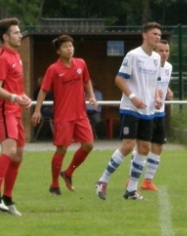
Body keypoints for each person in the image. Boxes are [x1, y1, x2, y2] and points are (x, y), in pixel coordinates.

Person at [95, 22, 163, 201]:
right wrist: (133, 96)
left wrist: (156, 98)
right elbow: (119, 79)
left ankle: (131, 189)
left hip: (148, 110)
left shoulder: (156, 58)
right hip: (131, 108)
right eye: (154, 34)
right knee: (128, 145)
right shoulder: (133, 55)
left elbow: (154, 83)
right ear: (144, 35)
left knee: (144, 147)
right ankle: (103, 180)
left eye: (159, 34)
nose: (157, 37)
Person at [31, 35, 98, 196]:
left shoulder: (81, 63)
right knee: (62, 150)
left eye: (71, 46)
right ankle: (54, 185)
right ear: (58, 51)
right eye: (66, 47)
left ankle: (67, 173)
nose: (69, 49)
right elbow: (43, 90)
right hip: (63, 116)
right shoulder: (53, 69)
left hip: (80, 115)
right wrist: (37, 110)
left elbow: (86, 80)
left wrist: (91, 95)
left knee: (88, 145)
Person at [0, 18, 32, 216]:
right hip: (4, 111)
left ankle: (8, 198)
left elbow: (15, 86)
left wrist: (22, 97)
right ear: (5, 37)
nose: (20, 35)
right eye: (15, 32)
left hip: (15, 110)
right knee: (10, 150)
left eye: (19, 32)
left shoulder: (16, 56)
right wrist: (14, 97)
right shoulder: (1, 58)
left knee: (19, 155)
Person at [131, 39, 173, 192]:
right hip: (146, 112)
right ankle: (132, 176)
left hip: (160, 113)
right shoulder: (149, 65)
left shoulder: (169, 67)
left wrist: (167, 90)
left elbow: (160, 80)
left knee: (158, 145)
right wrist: (155, 97)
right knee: (142, 146)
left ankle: (148, 180)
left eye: (167, 51)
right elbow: (147, 82)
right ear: (155, 51)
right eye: (161, 51)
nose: (164, 54)